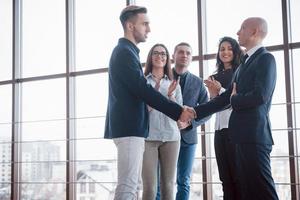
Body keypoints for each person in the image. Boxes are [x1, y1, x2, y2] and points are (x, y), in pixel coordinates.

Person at [104, 5, 195, 200]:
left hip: (133, 128)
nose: (149, 29)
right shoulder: (125, 52)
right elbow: (142, 89)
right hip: (129, 127)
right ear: (130, 25)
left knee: (130, 185)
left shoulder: (127, 52)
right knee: (128, 186)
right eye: (144, 24)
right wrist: (178, 111)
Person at [194, 17, 279, 200]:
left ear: (255, 32)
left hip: (255, 137)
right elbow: (224, 98)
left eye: (242, 28)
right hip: (240, 137)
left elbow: (260, 96)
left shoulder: (265, 58)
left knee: (263, 191)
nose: (237, 32)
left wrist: (234, 99)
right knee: (247, 192)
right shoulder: (243, 65)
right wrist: (195, 111)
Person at [142, 44, 182, 200]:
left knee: (168, 186)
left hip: (171, 138)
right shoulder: (143, 82)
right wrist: (156, 95)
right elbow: (141, 112)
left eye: (164, 54)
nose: (160, 56)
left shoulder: (173, 83)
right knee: (150, 188)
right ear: (151, 57)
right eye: (156, 53)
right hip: (148, 138)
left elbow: (180, 114)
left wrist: (171, 96)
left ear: (167, 59)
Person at [204, 36, 242, 200]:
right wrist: (213, 96)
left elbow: (235, 101)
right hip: (219, 130)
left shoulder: (240, 72)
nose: (225, 52)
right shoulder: (216, 76)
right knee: (224, 177)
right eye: (222, 49)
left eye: (229, 48)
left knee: (238, 176)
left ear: (235, 51)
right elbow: (216, 104)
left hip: (235, 128)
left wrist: (219, 91)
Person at [172, 42, 210, 200]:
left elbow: (207, 111)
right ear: (173, 55)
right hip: (164, 136)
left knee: (184, 181)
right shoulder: (163, 77)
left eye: (188, 53)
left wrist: (189, 123)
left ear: (191, 58)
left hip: (188, 138)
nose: (184, 55)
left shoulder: (198, 82)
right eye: (180, 52)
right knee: (160, 181)